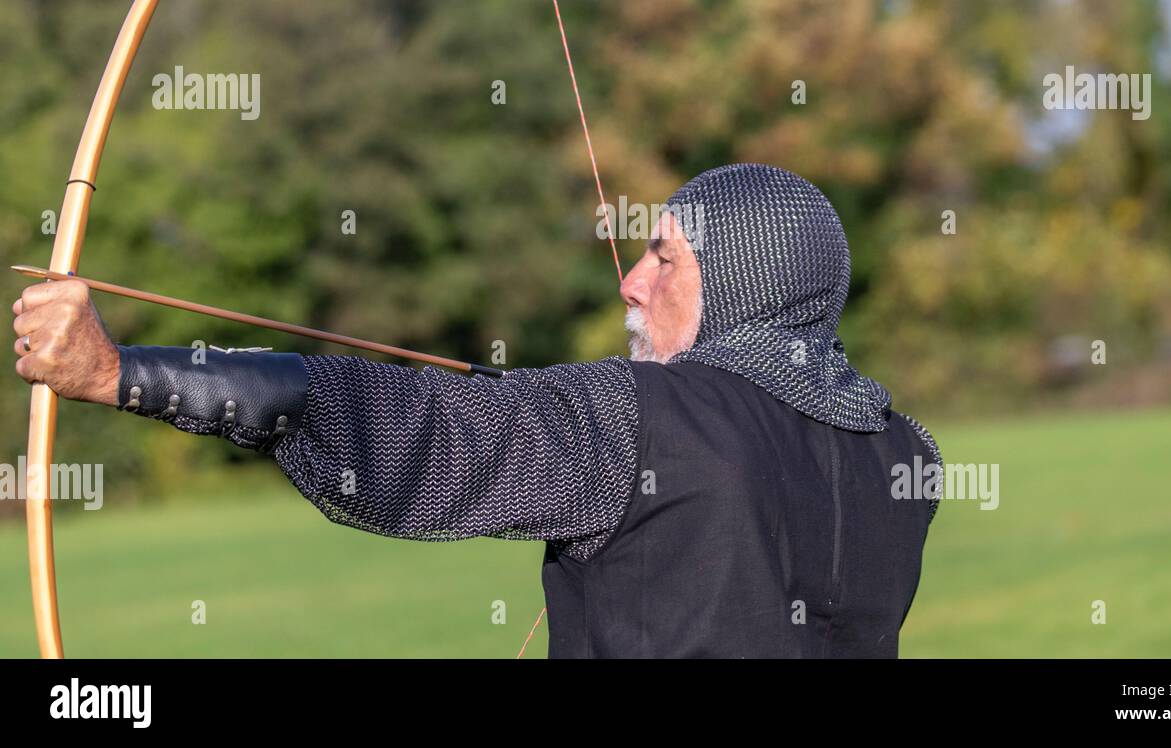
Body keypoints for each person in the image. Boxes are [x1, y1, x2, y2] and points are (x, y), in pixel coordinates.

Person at [13, 163, 942, 657]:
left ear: (744, 282)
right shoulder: (907, 456)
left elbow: (405, 428)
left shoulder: (643, 423)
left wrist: (119, 372)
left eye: (664, 258)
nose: (631, 280)